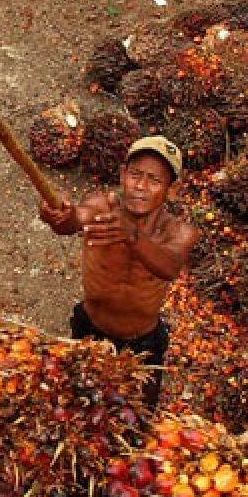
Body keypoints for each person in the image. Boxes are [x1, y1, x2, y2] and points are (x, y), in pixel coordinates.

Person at [39, 135, 199, 411]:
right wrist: (59, 217)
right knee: (79, 407)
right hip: (91, 329)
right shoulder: (102, 207)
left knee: (136, 418)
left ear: (172, 190)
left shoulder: (179, 232)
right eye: (135, 175)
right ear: (123, 174)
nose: (141, 186)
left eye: (154, 180)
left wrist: (132, 235)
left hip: (142, 344)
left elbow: (170, 267)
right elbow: (74, 219)